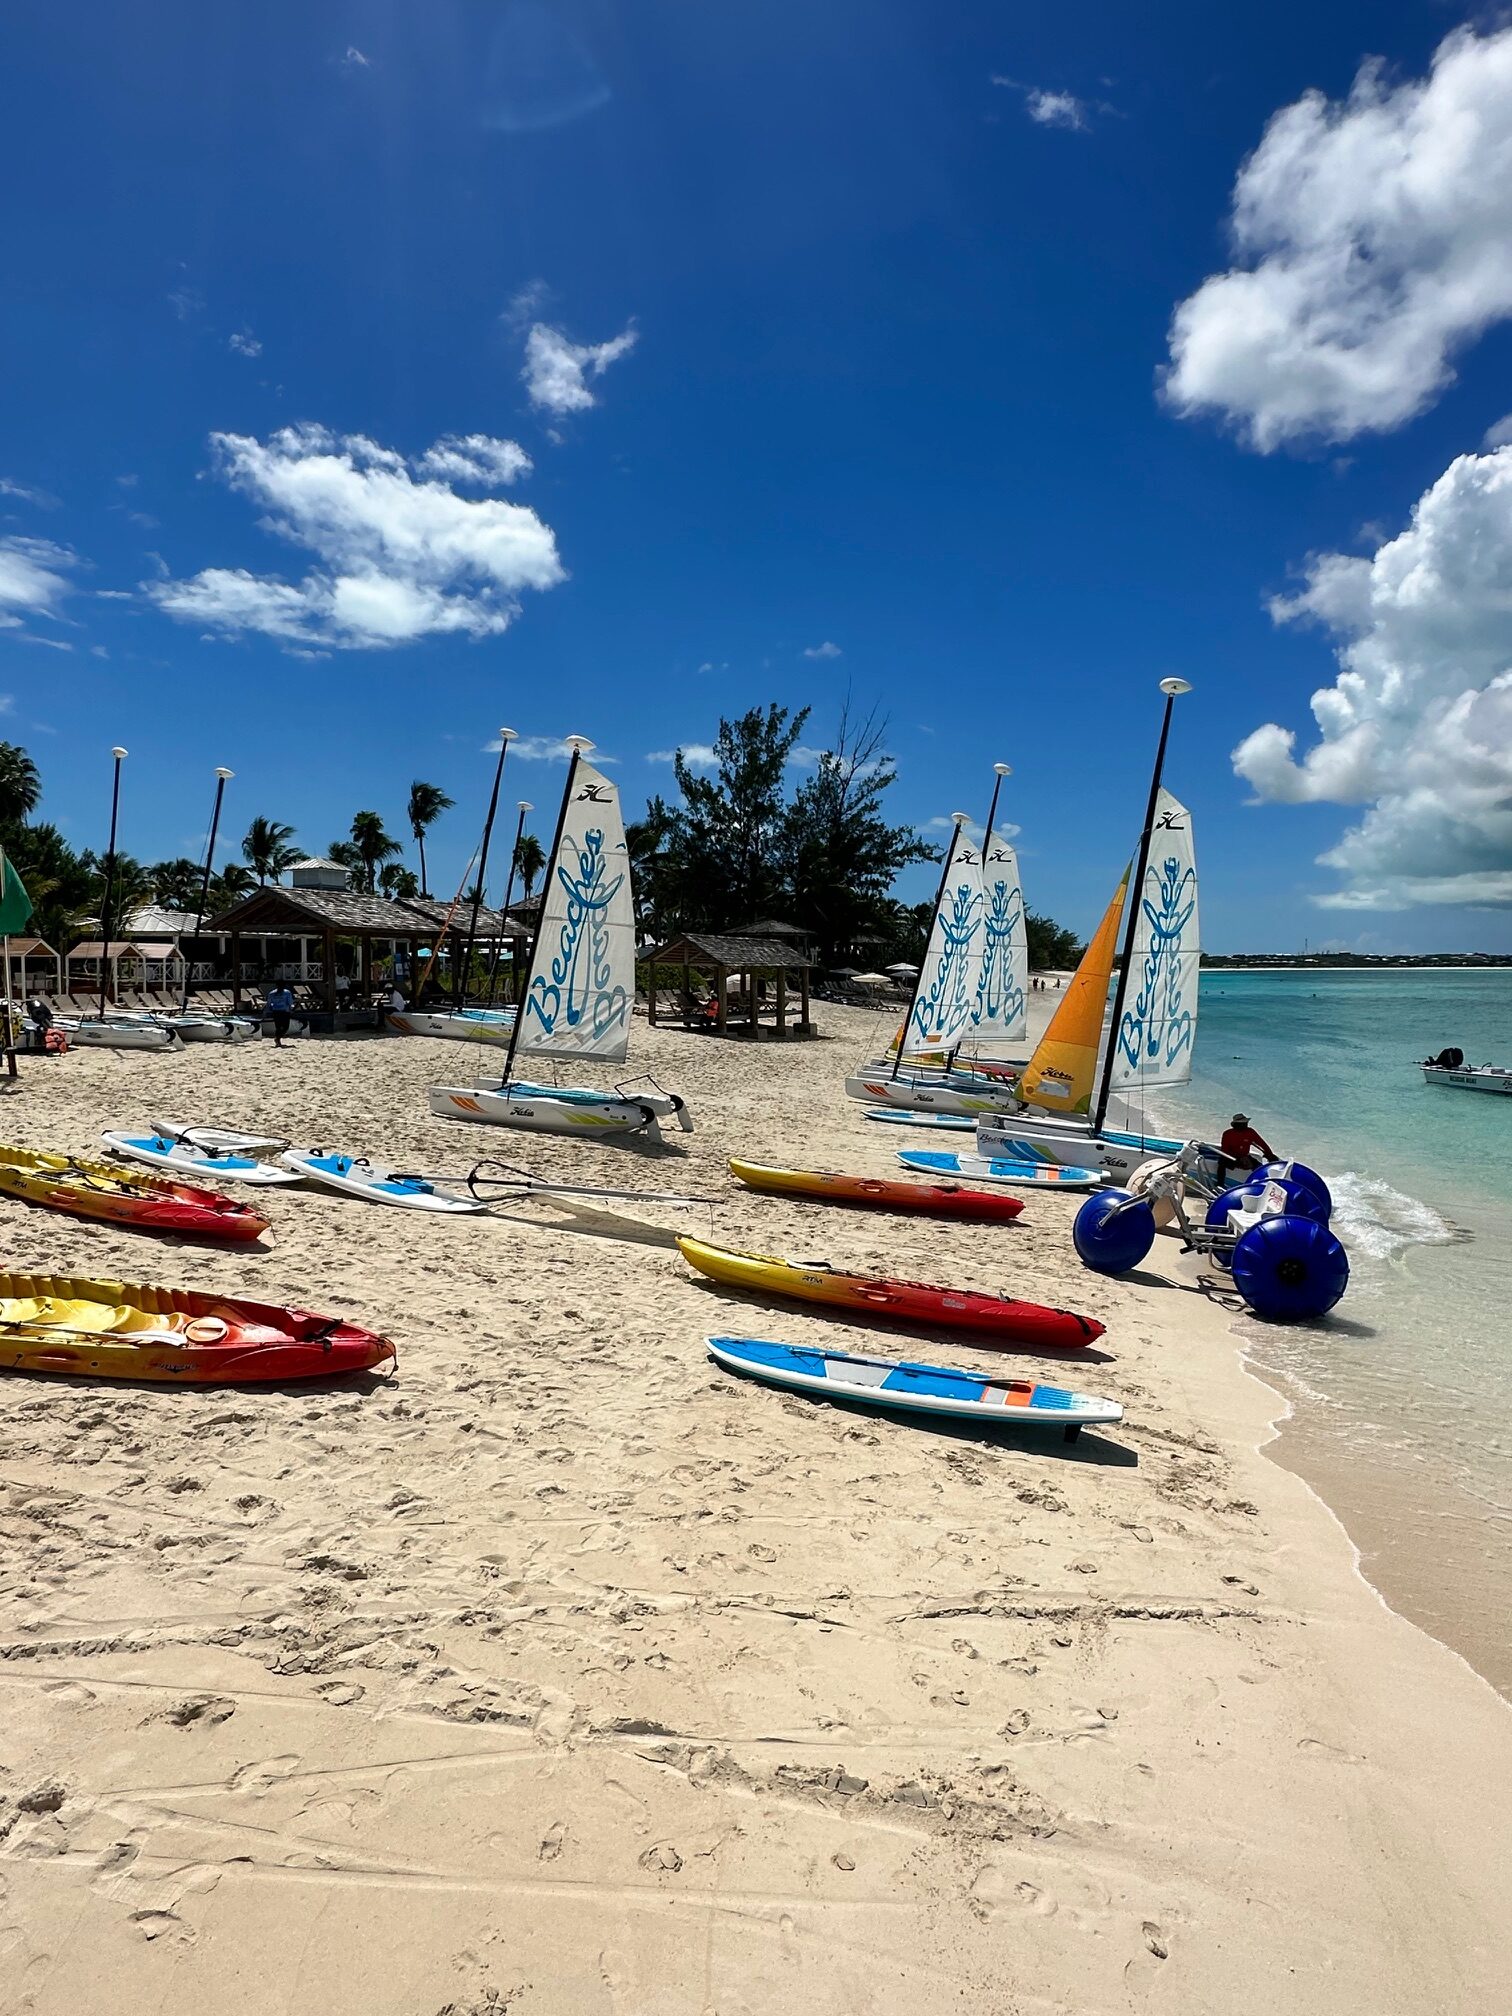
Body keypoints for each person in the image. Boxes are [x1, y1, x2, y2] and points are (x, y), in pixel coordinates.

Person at [1217, 1112, 1277, 1181]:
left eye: (1246, 1123)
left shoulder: (1250, 1132)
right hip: (1230, 1156)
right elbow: (1225, 1150)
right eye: (1243, 1123)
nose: (1246, 1124)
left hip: (1245, 1156)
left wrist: (1269, 1154)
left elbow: (1262, 1144)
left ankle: (1264, 1181)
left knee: (1259, 1167)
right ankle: (1219, 1184)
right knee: (1221, 1164)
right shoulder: (1227, 1134)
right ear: (1237, 1125)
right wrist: (1238, 1159)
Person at [266, 982, 295, 1049]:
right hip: (284, 1011)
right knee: (285, 1027)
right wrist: (291, 1009)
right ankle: (277, 1039)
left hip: (276, 1011)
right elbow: (290, 1002)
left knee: (278, 1026)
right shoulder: (287, 992)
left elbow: (269, 1003)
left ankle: (277, 1039)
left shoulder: (272, 993)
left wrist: (269, 1010)